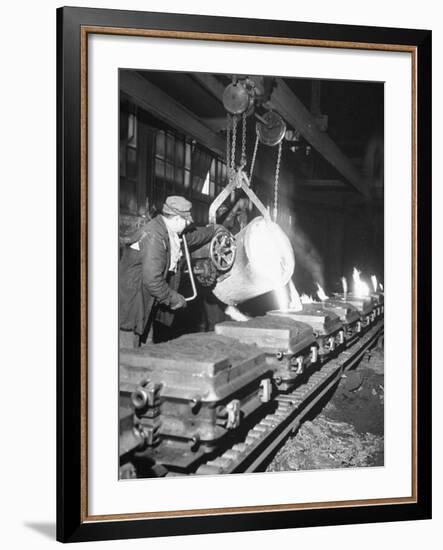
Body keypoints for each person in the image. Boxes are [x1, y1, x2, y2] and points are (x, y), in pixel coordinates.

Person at [119, 195, 218, 347]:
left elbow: (193, 237)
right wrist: (174, 299)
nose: (187, 225)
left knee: (146, 349)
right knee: (129, 355)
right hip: (132, 303)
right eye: (186, 221)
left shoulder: (168, 231)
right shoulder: (155, 236)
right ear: (177, 219)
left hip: (146, 300)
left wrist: (214, 230)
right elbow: (152, 280)